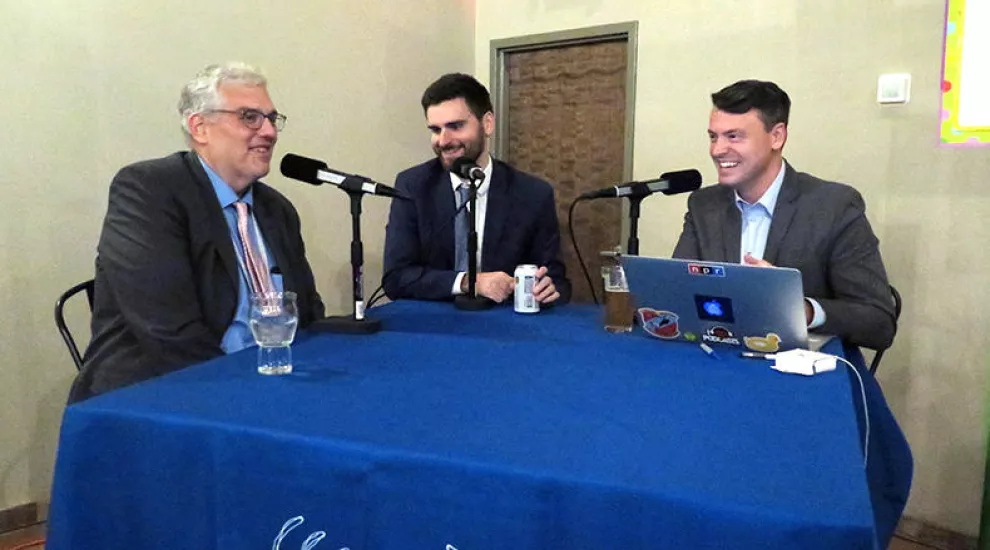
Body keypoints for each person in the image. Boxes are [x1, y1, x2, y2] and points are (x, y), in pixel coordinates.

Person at [69, 62, 324, 402]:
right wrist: (245, 393)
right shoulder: (149, 190)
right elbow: (168, 332)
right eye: (250, 117)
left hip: (268, 383)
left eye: (271, 119)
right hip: (169, 390)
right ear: (199, 127)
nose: (269, 132)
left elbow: (307, 311)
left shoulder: (277, 209)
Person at [673, 79, 895, 350]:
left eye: (734, 136)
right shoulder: (703, 205)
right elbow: (679, 293)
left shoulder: (834, 206)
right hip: (717, 360)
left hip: (797, 375)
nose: (717, 150)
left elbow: (879, 322)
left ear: (776, 136)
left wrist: (802, 310)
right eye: (713, 136)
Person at [382, 73, 570, 305]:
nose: (443, 140)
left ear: (487, 123)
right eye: (435, 130)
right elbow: (396, 278)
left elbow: (557, 281)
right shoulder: (413, 186)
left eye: (455, 126)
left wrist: (547, 289)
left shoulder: (532, 194)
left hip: (504, 328)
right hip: (431, 326)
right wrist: (469, 282)